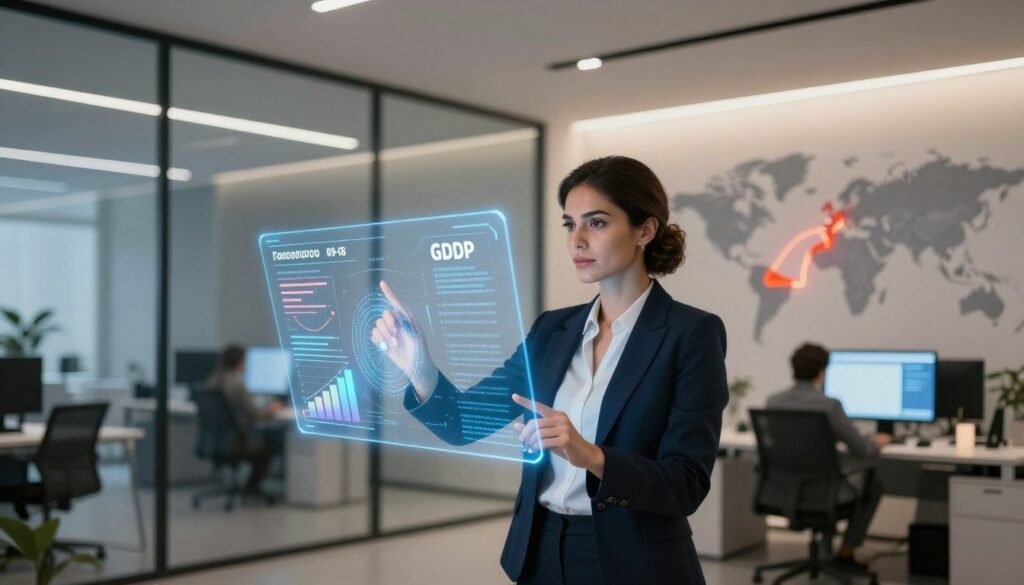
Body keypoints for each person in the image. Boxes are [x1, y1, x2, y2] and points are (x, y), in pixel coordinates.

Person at [371, 156, 728, 585]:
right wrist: (418, 365)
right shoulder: (551, 330)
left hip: (635, 562)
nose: (576, 240)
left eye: (595, 223)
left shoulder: (691, 333)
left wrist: (591, 456)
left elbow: (686, 484)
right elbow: (462, 422)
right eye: (569, 224)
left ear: (645, 231)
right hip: (540, 552)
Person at [766, 342, 892, 569]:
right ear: (822, 371)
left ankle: (827, 552)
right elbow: (862, 450)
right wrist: (878, 441)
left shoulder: (773, 402)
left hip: (784, 490)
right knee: (873, 486)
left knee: (829, 475)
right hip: (822, 491)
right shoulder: (829, 406)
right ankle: (845, 553)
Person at [204, 344, 284, 496]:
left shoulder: (213, 380)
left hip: (216, 442)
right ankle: (252, 486)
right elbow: (255, 414)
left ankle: (250, 486)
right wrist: (273, 409)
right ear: (240, 362)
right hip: (235, 442)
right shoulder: (236, 383)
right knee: (274, 442)